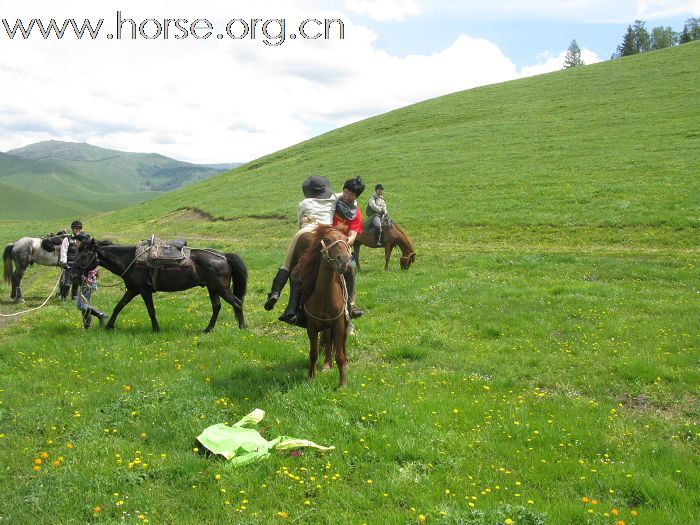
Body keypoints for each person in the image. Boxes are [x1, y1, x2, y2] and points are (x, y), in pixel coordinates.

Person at [264, 176, 337, 315]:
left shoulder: (304, 203)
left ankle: (275, 293)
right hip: (328, 232)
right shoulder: (333, 199)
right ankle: (347, 303)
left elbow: (299, 222)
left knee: (287, 264)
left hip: (306, 230)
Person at [71, 232, 108, 329]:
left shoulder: (86, 254)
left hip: (88, 282)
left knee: (81, 305)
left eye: (77, 241)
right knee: (84, 305)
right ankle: (87, 326)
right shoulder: (82, 252)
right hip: (86, 282)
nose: (75, 243)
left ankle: (100, 315)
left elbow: (88, 269)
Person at [58, 220, 89, 302]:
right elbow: (63, 251)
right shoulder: (67, 239)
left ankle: (74, 297)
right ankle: (63, 298)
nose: (77, 230)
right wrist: (64, 262)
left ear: (80, 229)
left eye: (78, 228)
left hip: (78, 266)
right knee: (67, 283)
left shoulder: (83, 240)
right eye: (75, 228)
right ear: (72, 229)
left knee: (76, 283)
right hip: (69, 265)